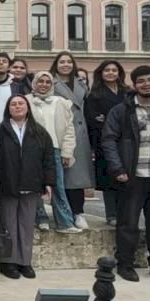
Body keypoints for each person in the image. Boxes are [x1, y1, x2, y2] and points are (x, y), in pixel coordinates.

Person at [101, 65, 150, 284]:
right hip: (132, 174)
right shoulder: (122, 110)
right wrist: (118, 169)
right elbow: (108, 139)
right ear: (134, 85)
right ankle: (125, 264)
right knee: (128, 223)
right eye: (141, 81)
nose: (146, 84)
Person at [0, 96, 55, 280]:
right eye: (13, 104)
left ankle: (25, 262)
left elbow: (49, 159)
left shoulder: (39, 132)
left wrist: (49, 182)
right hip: (7, 185)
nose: (17, 107)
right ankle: (8, 262)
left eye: (21, 104)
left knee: (26, 226)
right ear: (7, 108)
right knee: (8, 225)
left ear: (27, 108)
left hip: (31, 185)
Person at [26, 71, 80, 234]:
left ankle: (65, 222)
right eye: (40, 81)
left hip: (55, 149)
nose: (43, 85)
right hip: (32, 150)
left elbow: (69, 129)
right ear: (34, 83)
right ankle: (40, 218)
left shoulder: (61, 102)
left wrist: (67, 152)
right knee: (35, 186)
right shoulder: (26, 100)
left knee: (58, 185)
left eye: (47, 82)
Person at [50, 51, 94, 229]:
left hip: (80, 132)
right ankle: (63, 212)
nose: (66, 65)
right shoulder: (50, 82)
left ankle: (78, 212)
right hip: (59, 131)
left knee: (78, 176)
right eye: (62, 62)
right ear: (56, 64)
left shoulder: (81, 84)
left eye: (69, 61)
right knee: (61, 176)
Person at [85, 60, 128, 226]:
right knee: (109, 180)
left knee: (126, 178)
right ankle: (111, 214)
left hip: (126, 140)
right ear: (101, 73)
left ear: (119, 73)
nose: (110, 73)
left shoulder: (127, 93)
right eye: (107, 70)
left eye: (114, 70)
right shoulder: (95, 94)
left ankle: (124, 213)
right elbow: (93, 118)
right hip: (103, 140)